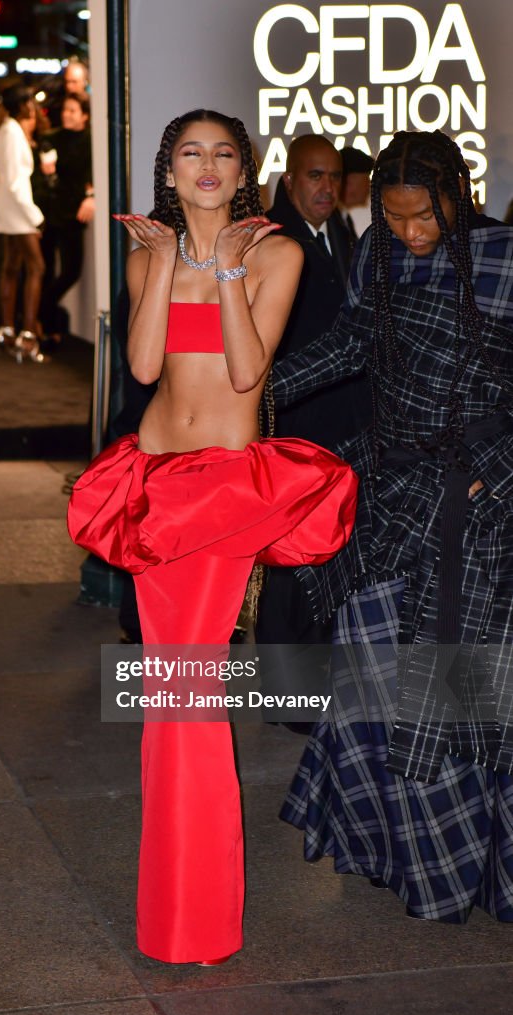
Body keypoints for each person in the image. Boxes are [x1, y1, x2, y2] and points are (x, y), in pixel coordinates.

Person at [67, 108, 358, 965]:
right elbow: (147, 366)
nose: (206, 166)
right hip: (156, 484)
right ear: (169, 169)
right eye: (190, 153)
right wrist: (164, 265)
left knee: (182, 699)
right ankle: (180, 914)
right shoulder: (142, 256)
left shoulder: (278, 254)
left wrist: (226, 273)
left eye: (223, 154)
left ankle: (191, 917)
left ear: (243, 173)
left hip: (222, 493)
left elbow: (243, 371)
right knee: (174, 699)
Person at [277, 130, 513, 923]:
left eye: (425, 215)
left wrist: (498, 467)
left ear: (456, 193)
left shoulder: (505, 258)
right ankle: (395, 854)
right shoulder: (376, 252)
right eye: (396, 215)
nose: (411, 232)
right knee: (371, 673)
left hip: (479, 518)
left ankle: (468, 870)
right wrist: (257, 395)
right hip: (388, 497)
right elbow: (351, 342)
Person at [255, 135, 371, 714]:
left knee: (327, 560)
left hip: (343, 432)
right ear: (289, 180)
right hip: (295, 431)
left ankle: (313, 692)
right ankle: (287, 697)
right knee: (289, 565)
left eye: (334, 177)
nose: (327, 187)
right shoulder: (272, 241)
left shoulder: (341, 236)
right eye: (314, 176)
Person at [0, 84, 46, 363]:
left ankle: (8, 330)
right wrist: (34, 215)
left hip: (9, 207)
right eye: (29, 101)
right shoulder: (11, 131)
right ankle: (27, 336)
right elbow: (13, 180)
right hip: (17, 209)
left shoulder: (6, 129)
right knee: (36, 266)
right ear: (20, 105)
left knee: (12, 266)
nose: (32, 106)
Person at [38, 93, 94, 343]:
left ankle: (42, 310)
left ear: (84, 115)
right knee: (46, 269)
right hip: (50, 212)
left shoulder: (92, 140)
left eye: (73, 110)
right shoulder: (51, 139)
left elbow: (94, 175)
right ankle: (49, 328)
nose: (67, 114)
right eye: (65, 110)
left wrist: (92, 196)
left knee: (71, 270)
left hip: (74, 214)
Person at [338, 145, 374, 240]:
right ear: (347, 182)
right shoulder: (330, 220)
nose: (369, 188)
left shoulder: (343, 217)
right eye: (367, 181)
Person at [46, 58, 90, 128]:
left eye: (74, 82)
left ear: (84, 82)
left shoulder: (92, 105)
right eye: (67, 81)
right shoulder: (56, 103)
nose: (69, 86)